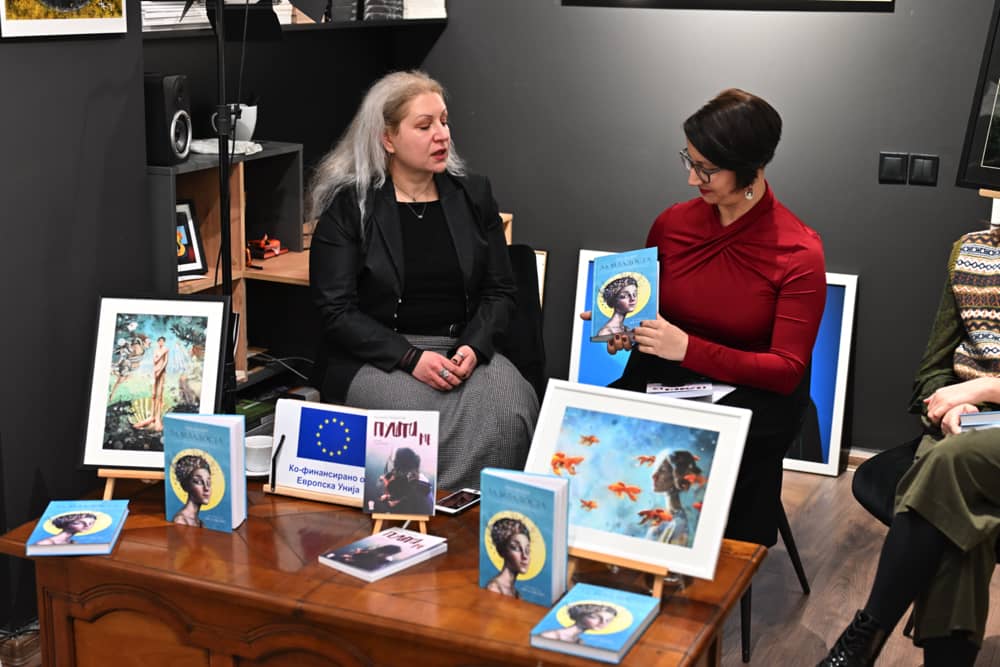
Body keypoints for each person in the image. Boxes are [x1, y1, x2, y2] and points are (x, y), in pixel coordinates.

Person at [586, 88, 826, 547]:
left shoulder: (798, 251)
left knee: (696, 446)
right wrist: (623, 328)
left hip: (756, 396)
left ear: (751, 167)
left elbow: (785, 370)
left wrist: (687, 349)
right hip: (665, 377)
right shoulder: (672, 225)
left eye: (707, 169)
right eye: (689, 161)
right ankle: (615, 550)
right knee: (594, 427)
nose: (692, 178)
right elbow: (653, 315)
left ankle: (707, 568)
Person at [308, 70, 539, 491]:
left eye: (444, 122)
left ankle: (486, 516)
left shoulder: (473, 195)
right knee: (417, 420)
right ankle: (420, 514)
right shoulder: (350, 207)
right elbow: (337, 312)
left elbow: (500, 291)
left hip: (460, 348)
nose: (442, 135)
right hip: (381, 356)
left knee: (511, 408)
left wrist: (473, 347)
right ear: (387, 138)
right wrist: (411, 358)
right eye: (424, 125)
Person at [818, 231, 1000, 667]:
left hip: (970, 439)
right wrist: (955, 407)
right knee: (959, 518)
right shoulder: (974, 252)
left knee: (948, 463)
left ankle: (866, 633)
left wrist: (987, 387)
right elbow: (933, 371)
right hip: (971, 424)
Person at [374, 447, 434, 514]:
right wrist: (390, 497)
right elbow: (406, 495)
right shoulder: (418, 479)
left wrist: (388, 500)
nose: (393, 472)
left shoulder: (415, 489)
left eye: (395, 465)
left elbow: (406, 502)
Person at [485, 517, 531, 598]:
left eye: (527, 550)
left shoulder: (516, 593)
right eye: (516, 548)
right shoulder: (494, 588)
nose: (525, 556)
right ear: (502, 551)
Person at [539, 602, 617, 644]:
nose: (603, 623)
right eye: (596, 617)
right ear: (581, 615)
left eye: (608, 620)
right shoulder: (552, 635)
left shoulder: (579, 641)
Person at [172, 454, 212, 527]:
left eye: (208, 482)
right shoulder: (181, 521)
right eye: (198, 482)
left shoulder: (200, 523)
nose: (206, 488)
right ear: (185, 486)